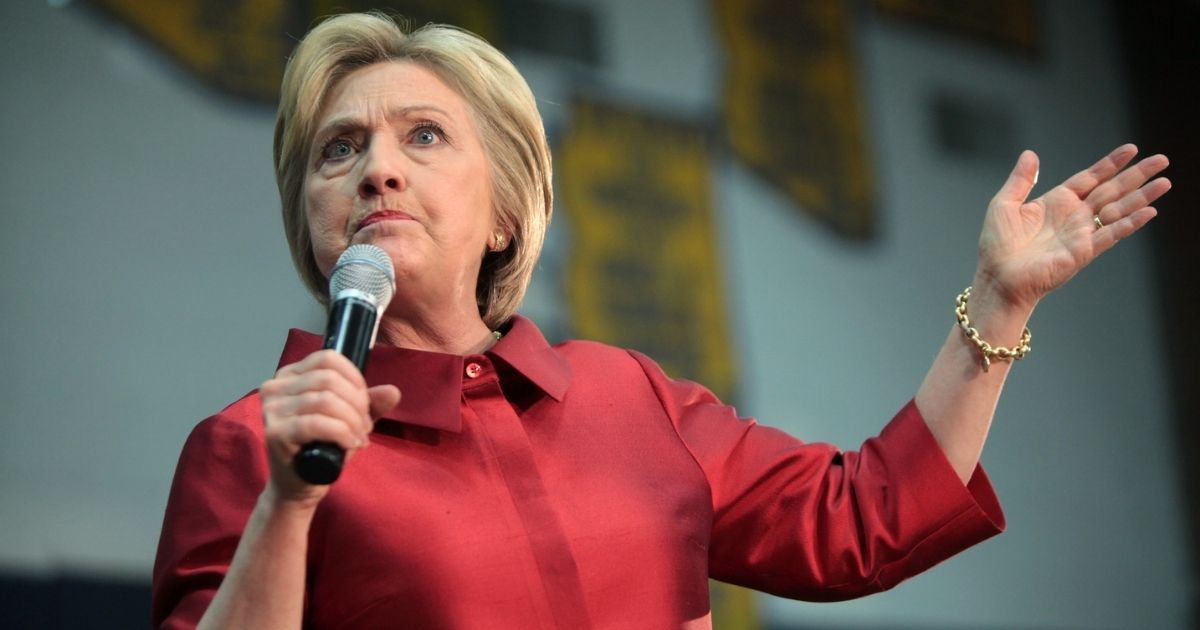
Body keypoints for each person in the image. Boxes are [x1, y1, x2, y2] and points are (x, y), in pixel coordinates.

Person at [151, 11, 1172, 630]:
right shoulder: (251, 448)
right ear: (313, 219)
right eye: (339, 150)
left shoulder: (626, 397)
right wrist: (288, 505)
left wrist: (997, 302)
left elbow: (866, 520)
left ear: (508, 209)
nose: (377, 166)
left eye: (424, 135)